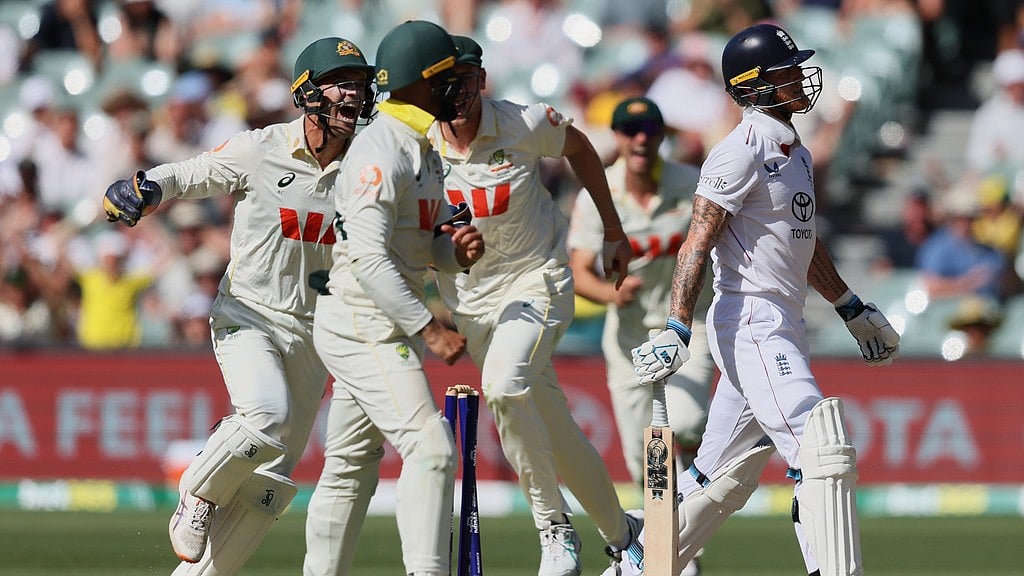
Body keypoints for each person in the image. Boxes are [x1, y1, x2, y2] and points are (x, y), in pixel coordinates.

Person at [625, 24, 901, 576]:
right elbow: (696, 241)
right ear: (755, 85)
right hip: (752, 322)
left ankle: (631, 568)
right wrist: (678, 324)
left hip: (781, 322)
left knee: (719, 480)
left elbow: (803, 241)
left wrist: (850, 306)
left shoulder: (794, 154)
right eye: (786, 70)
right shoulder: (738, 152)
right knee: (818, 449)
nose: (800, 78)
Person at [102, 35, 377, 575]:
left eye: (361, 86)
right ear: (309, 93)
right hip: (247, 313)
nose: (354, 96)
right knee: (265, 414)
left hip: (314, 333)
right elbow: (192, 173)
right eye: (342, 84)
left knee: (269, 488)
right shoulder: (264, 148)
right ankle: (197, 490)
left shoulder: (369, 165)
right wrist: (147, 188)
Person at [428, 35, 639, 576]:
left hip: (536, 280)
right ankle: (624, 535)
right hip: (473, 304)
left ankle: (553, 528)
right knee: (554, 429)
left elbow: (582, 150)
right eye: (448, 81)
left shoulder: (523, 122)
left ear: (482, 80)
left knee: (501, 386)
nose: (460, 92)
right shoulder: (414, 144)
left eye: (469, 79)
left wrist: (612, 229)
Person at [301, 21, 485, 576]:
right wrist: (428, 327)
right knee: (432, 450)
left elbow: (418, 247)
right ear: (418, 82)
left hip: (376, 316)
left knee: (352, 466)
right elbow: (368, 258)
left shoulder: (419, 144)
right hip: (364, 322)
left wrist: (457, 254)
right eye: (448, 78)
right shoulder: (382, 148)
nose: (460, 88)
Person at [566, 96, 711, 576]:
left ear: (661, 136)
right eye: (631, 130)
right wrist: (611, 295)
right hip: (628, 337)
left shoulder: (691, 185)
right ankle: (675, 553)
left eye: (650, 128)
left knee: (683, 426)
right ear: (619, 138)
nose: (641, 137)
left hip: (689, 325)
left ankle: (676, 539)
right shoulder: (598, 195)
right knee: (642, 459)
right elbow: (580, 271)